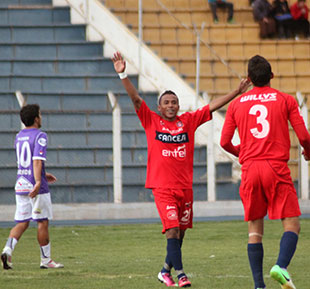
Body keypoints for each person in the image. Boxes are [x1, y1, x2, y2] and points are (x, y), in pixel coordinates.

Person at [112, 51, 249, 287]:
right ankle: (181, 274)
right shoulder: (151, 120)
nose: (171, 105)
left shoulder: (188, 121)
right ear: (159, 106)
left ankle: (165, 270)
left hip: (185, 188)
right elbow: (135, 99)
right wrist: (123, 73)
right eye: (166, 102)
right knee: (172, 231)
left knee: (181, 233)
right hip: (162, 188)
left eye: (174, 102)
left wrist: (237, 92)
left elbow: (211, 107)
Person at [220, 55, 310, 289]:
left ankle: (259, 285)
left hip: (250, 169)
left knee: (254, 229)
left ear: (248, 79)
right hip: (275, 167)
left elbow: (224, 141)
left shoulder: (236, 104)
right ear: (272, 76)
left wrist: (243, 152)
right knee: (292, 224)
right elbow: (304, 137)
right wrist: (308, 152)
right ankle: (280, 266)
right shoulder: (285, 100)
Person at [1, 104, 64, 270]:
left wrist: (43, 174)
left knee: (22, 222)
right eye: (40, 115)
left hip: (21, 183)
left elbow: (26, 161)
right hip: (36, 187)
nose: (41, 117)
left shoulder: (19, 136)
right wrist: (38, 181)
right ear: (36, 118)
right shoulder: (40, 136)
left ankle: (7, 249)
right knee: (42, 222)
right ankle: (46, 260)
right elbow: (36, 160)